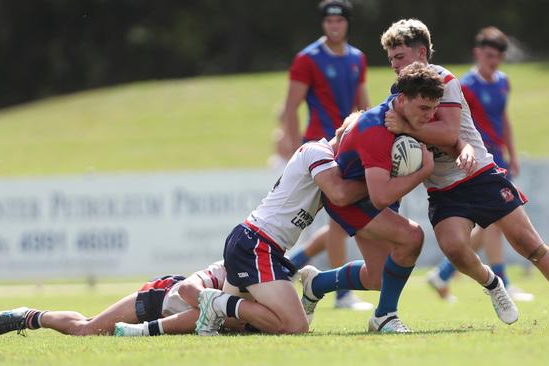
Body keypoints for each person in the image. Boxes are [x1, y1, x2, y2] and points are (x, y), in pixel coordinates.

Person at [381, 18, 549, 328]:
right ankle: (493, 284)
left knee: (529, 244)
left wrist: (406, 127)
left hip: (480, 174)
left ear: (421, 53)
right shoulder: (396, 96)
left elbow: (447, 134)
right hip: (443, 189)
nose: (394, 64)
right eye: (391, 58)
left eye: (400, 57)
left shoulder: (443, 81)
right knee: (455, 250)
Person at [299, 63, 478, 333]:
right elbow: (380, 197)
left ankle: (317, 284)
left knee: (378, 277)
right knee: (412, 237)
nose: (429, 117)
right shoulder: (376, 129)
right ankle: (385, 317)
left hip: (368, 194)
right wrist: (424, 171)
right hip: (350, 201)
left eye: (433, 109)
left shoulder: (403, 113)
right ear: (403, 100)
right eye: (423, 109)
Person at [191, 113, 375, 336]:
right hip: (257, 244)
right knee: (295, 326)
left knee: (234, 323)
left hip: (258, 244)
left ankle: (158, 324)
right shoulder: (317, 151)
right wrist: (378, 184)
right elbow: (340, 195)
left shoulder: (330, 164)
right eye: (361, 145)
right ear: (345, 136)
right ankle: (216, 302)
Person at [274, 0, 372, 310]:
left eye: (339, 21)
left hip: (350, 149)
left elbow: (363, 106)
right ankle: (341, 294)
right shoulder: (307, 59)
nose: (334, 26)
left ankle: (291, 265)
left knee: (338, 223)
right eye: (329, 21)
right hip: (320, 148)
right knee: (337, 219)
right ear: (323, 24)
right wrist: (293, 149)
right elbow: (290, 108)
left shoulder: (358, 58)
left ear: (347, 23)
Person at [427, 26, 534, 303]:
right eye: (489, 55)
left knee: (492, 224)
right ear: (478, 54)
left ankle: (443, 273)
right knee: (495, 222)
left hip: (497, 156)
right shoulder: (465, 86)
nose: (494, 61)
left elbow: (503, 118)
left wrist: (512, 152)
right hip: (476, 158)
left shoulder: (502, 82)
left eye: (498, 56)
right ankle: (502, 281)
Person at [0, 261, 243, 337]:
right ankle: (32, 316)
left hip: (175, 315)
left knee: (91, 326)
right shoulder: (231, 263)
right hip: (160, 299)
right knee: (87, 330)